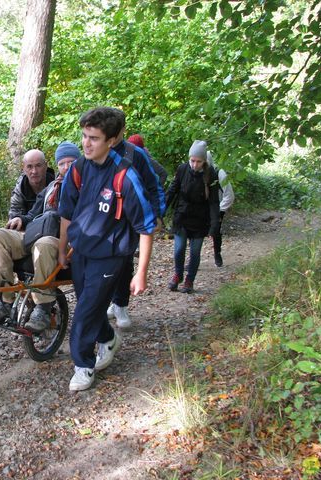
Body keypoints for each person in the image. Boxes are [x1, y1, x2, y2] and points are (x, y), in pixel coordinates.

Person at [58, 107, 157, 391]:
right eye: (84, 136)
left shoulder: (125, 177)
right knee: (91, 308)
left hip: (111, 257)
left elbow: (146, 227)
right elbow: (67, 212)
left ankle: (83, 365)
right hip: (82, 253)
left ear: (111, 140)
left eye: (94, 138)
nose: (86, 143)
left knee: (85, 312)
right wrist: (62, 249)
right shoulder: (78, 168)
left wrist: (141, 273)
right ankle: (109, 338)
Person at [0, 142, 80, 329]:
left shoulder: (86, 187)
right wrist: (21, 219)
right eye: (62, 163)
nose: (66, 167)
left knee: (43, 244)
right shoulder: (52, 187)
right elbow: (33, 213)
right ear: (57, 166)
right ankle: (4, 301)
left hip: (64, 241)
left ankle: (42, 308)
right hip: (37, 232)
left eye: (71, 162)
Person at [105, 122, 167, 330]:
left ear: (122, 130)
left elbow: (154, 183)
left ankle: (120, 304)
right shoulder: (96, 151)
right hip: (103, 219)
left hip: (130, 218)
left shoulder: (136, 154)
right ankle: (112, 302)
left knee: (123, 261)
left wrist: (156, 214)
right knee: (105, 263)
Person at [165, 140, 220, 294]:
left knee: (195, 252)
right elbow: (172, 191)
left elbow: (214, 202)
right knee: (179, 249)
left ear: (204, 161)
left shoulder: (211, 175)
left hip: (200, 220)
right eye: (192, 161)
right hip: (182, 216)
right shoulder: (182, 169)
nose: (195, 165)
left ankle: (190, 280)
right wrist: (160, 211)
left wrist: (214, 224)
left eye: (199, 161)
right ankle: (178, 274)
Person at [7, 149, 55, 220]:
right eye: (29, 166)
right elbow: (14, 216)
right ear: (23, 168)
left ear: (45, 166)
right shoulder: (20, 190)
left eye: (38, 165)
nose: (34, 171)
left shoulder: (57, 186)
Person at [207, 151, 235, 267]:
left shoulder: (220, 173)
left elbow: (229, 195)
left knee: (215, 231)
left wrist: (220, 210)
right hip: (201, 206)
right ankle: (194, 259)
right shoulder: (195, 171)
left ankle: (217, 253)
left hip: (217, 206)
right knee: (195, 232)